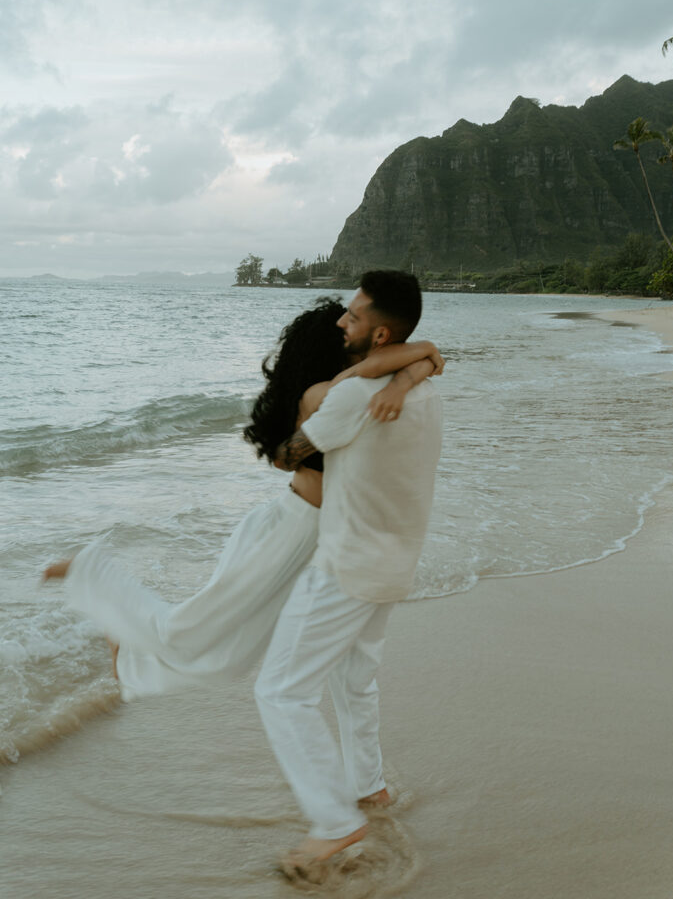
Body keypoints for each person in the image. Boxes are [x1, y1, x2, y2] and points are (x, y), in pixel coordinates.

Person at [43, 296, 443, 703]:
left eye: (352, 323)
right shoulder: (329, 394)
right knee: (195, 630)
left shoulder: (356, 387)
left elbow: (419, 363)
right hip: (290, 529)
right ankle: (89, 573)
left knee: (234, 653)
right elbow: (407, 363)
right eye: (345, 328)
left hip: (326, 536)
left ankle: (128, 648)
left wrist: (416, 365)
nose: (351, 330)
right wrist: (423, 354)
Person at [254, 271, 443, 871]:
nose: (342, 322)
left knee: (280, 691)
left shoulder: (352, 398)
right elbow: (428, 361)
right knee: (354, 681)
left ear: (380, 331)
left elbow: (290, 454)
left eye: (354, 317)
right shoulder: (425, 389)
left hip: (346, 566)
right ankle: (369, 787)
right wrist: (413, 365)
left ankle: (336, 822)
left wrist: (310, 401)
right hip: (395, 565)